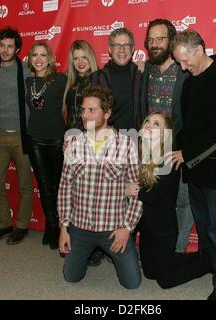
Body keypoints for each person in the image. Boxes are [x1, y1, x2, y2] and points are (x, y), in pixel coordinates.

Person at [170, 29, 216, 300]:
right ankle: (208, 265)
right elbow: (187, 125)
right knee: (202, 222)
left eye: (185, 61)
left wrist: (188, 154)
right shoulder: (189, 81)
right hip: (193, 165)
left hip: (215, 165)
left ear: (199, 49)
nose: (183, 67)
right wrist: (180, 150)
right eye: (178, 63)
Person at [58, 85, 142, 289]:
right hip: (80, 227)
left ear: (107, 113)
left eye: (92, 110)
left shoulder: (127, 145)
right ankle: (91, 252)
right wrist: (63, 227)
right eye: (84, 110)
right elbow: (65, 187)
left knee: (132, 283)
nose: (85, 115)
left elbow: (137, 193)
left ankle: (114, 252)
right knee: (71, 277)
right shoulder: (73, 143)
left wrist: (127, 228)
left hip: (113, 227)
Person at [126, 112, 211, 289]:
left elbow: (154, 197)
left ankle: (208, 262)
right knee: (150, 274)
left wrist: (134, 191)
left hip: (163, 230)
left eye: (156, 124)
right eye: (147, 121)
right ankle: (189, 258)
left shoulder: (169, 159)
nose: (149, 125)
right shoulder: (139, 153)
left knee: (165, 281)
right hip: (146, 228)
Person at [88, 27, 143, 265]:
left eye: (126, 45)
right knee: (105, 195)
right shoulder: (97, 77)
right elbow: (90, 114)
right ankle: (100, 245)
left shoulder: (143, 74)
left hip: (136, 144)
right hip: (107, 145)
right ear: (109, 49)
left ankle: (129, 240)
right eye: (116, 45)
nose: (121, 50)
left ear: (133, 49)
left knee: (133, 194)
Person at [140, 18, 193, 254]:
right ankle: (158, 248)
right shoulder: (145, 71)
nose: (154, 44)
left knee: (183, 201)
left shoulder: (185, 70)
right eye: (150, 40)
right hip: (151, 148)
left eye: (159, 39)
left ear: (171, 41)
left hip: (179, 148)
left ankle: (177, 250)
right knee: (156, 201)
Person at [0, 27, 33, 245]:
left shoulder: (26, 70)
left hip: (23, 136)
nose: (5, 50)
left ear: (17, 48)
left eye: (10, 46)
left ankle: (22, 225)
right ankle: (4, 223)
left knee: (25, 184)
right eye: (2, 45)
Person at [26, 42, 67, 249]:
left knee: (58, 184)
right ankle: (51, 226)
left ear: (50, 58)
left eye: (43, 55)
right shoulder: (27, 82)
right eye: (35, 55)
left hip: (57, 138)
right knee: (43, 184)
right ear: (30, 59)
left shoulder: (61, 79)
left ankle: (62, 227)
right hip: (34, 137)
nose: (39, 59)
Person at [63, 40, 98, 130]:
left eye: (84, 57)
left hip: (91, 135)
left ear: (90, 58)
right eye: (76, 58)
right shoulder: (67, 81)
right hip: (71, 136)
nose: (80, 62)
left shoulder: (100, 80)